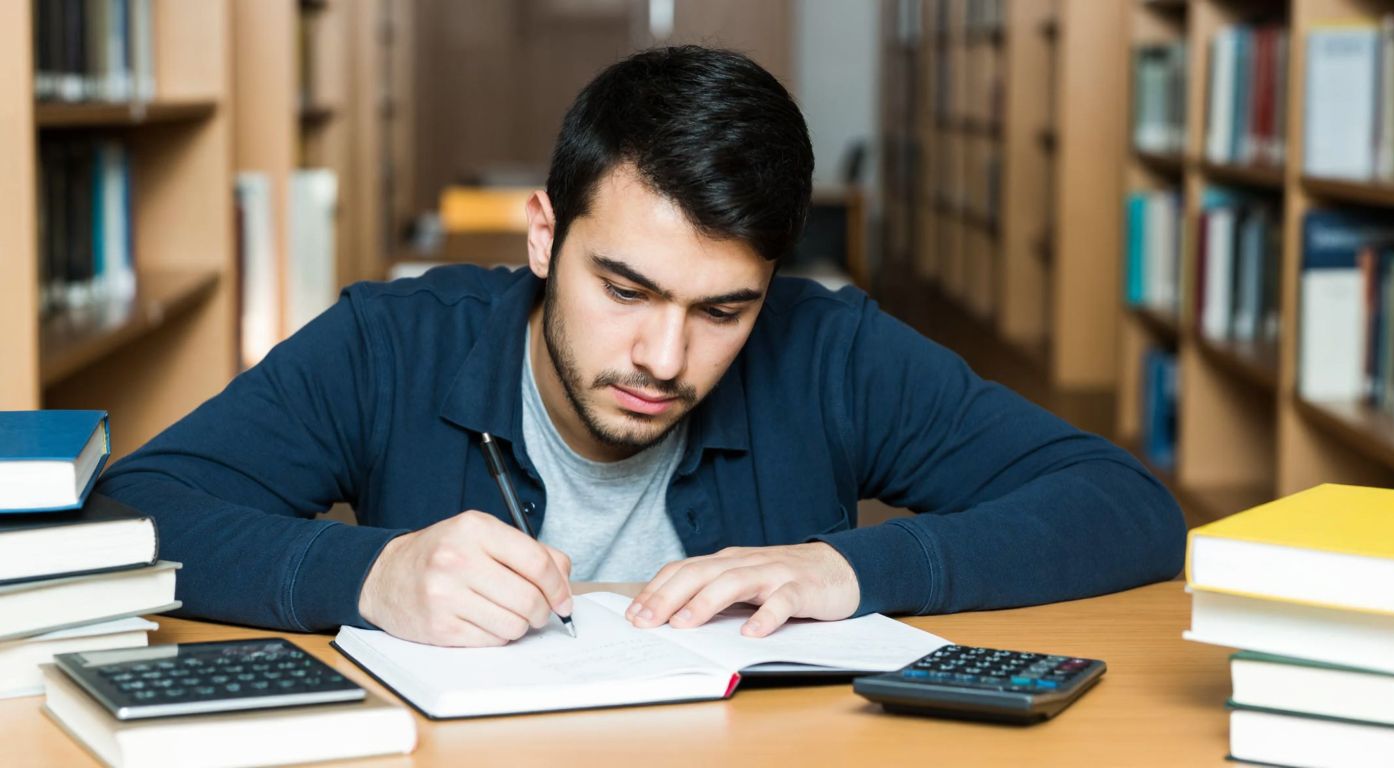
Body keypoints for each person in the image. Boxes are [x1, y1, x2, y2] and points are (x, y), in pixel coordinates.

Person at [97, 46, 1184, 648]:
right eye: (623, 288)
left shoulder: (826, 347)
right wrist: (369, 572)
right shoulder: (393, 342)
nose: (664, 357)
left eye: (723, 310)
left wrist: (850, 569)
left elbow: (1123, 505)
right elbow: (127, 517)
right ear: (542, 234)